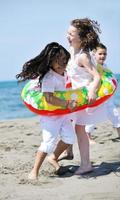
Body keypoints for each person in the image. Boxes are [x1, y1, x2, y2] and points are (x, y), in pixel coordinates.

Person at [16, 42, 77, 180]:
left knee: (70, 138)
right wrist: (67, 103)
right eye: (57, 60)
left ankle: (53, 158)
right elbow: (48, 98)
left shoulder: (64, 73)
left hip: (62, 114)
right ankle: (34, 171)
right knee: (48, 143)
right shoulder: (49, 78)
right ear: (50, 62)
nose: (61, 63)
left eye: (63, 59)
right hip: (51, 116)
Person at [65, 18, 109, 175]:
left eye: (71, 33)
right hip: (74, 96)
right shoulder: (72, 51)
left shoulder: (83, 56)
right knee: (72, 126)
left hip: (84, 97)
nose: (67, 36)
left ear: (82, 38)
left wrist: (91, 91)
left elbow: (96, 76)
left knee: (79, 129)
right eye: (67, 32)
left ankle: (85, 164)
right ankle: (70, 153)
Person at [85, 43, 120, 139]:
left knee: (115, 115)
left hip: (108, 98)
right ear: (94, 54)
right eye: (100, 54)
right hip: (97, 97)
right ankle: (88, 138)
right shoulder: (93, 66)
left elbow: (109, 78)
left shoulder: (105, 66)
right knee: (91, 119)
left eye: (104, 54)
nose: (102, 56)